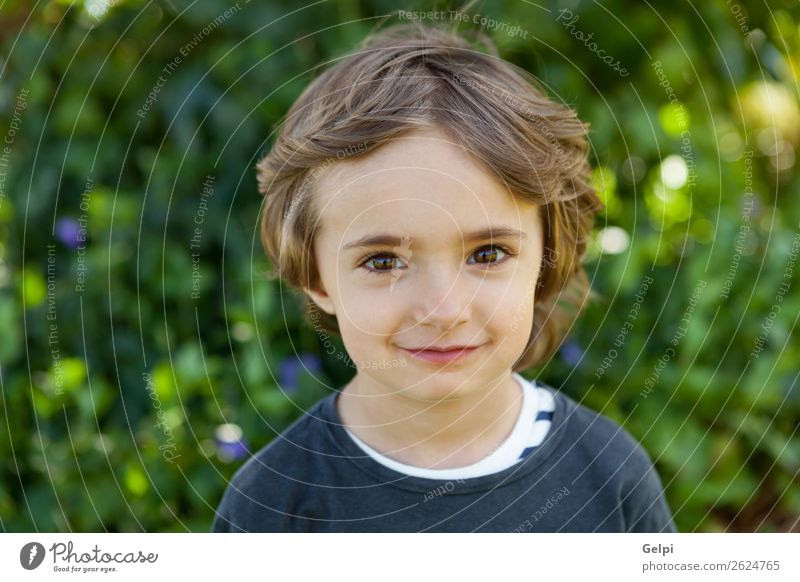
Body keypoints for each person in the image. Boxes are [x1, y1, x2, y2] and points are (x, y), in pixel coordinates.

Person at [212, 19, 677, 533]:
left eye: (488, 253)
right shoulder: (274, 505)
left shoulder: (609, 476)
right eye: (383, 261)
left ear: (547, 258)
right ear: (316, 277)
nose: (444, 309)